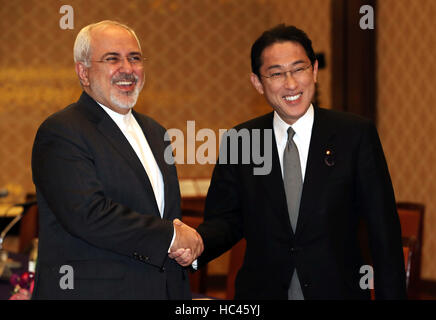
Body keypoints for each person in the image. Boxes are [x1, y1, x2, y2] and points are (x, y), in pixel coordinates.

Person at [178, 24, 406, 299]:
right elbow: (226, 221)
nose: (291, 83)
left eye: (299, 69)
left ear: (314, 70)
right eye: (276, 74)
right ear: (258, 83)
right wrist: (197, 243)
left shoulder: (355, 135)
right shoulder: (241, 140)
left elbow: (383, 232)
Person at [31, 20, 203, 299]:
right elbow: (88, 214)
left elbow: (166, 217)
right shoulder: (62, 131)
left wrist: (184, 247)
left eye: (134, 58)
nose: (127, 69)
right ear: (83, 72)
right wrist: (170, 237)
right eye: (112, 59)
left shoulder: (156, 132)